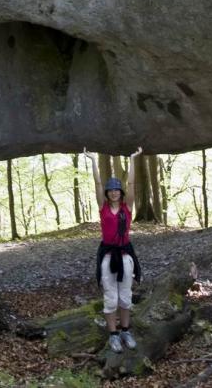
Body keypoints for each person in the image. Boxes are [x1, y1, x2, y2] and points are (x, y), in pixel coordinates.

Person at [83, 146, 143, 353]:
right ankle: (113, 335)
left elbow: (132, 183)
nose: (114, 191)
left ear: (121, 192)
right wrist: (92, 161)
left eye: (117, 189)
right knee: (111, 297)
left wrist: (133, 159)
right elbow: (97, 183)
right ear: (107, 193)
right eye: (111, 189)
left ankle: (125, 330)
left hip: (125, 256)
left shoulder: (127, 207)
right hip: (108, 256)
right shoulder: (103, 208)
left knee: (125, 296)